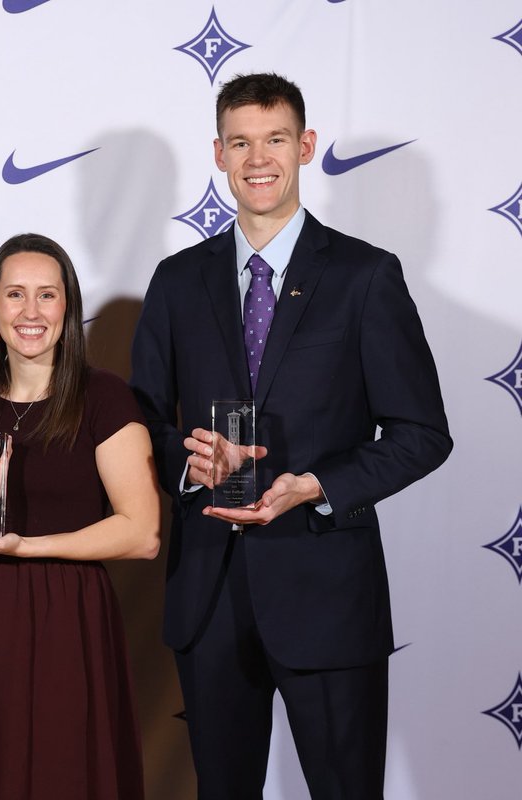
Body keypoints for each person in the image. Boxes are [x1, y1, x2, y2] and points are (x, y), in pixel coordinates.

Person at [129, 72, 453, 798]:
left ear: (304, 146)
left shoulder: (367, 277)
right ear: (217, 153)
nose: (258, 158)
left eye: (275, 139)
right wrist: (189, 467)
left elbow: (422, 432)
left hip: (327, 595)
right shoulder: (177, 281)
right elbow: (138, 420)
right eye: (240, 142)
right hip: (207, 597)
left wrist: (318, 485)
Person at [0, 233, 162, 799]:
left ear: (68, 308)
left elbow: (143, 532)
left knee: (64, 771)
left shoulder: (104, 398)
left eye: (47, 295)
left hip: (68, 613)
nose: (31, 312)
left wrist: (26, 545)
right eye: (15, 295)